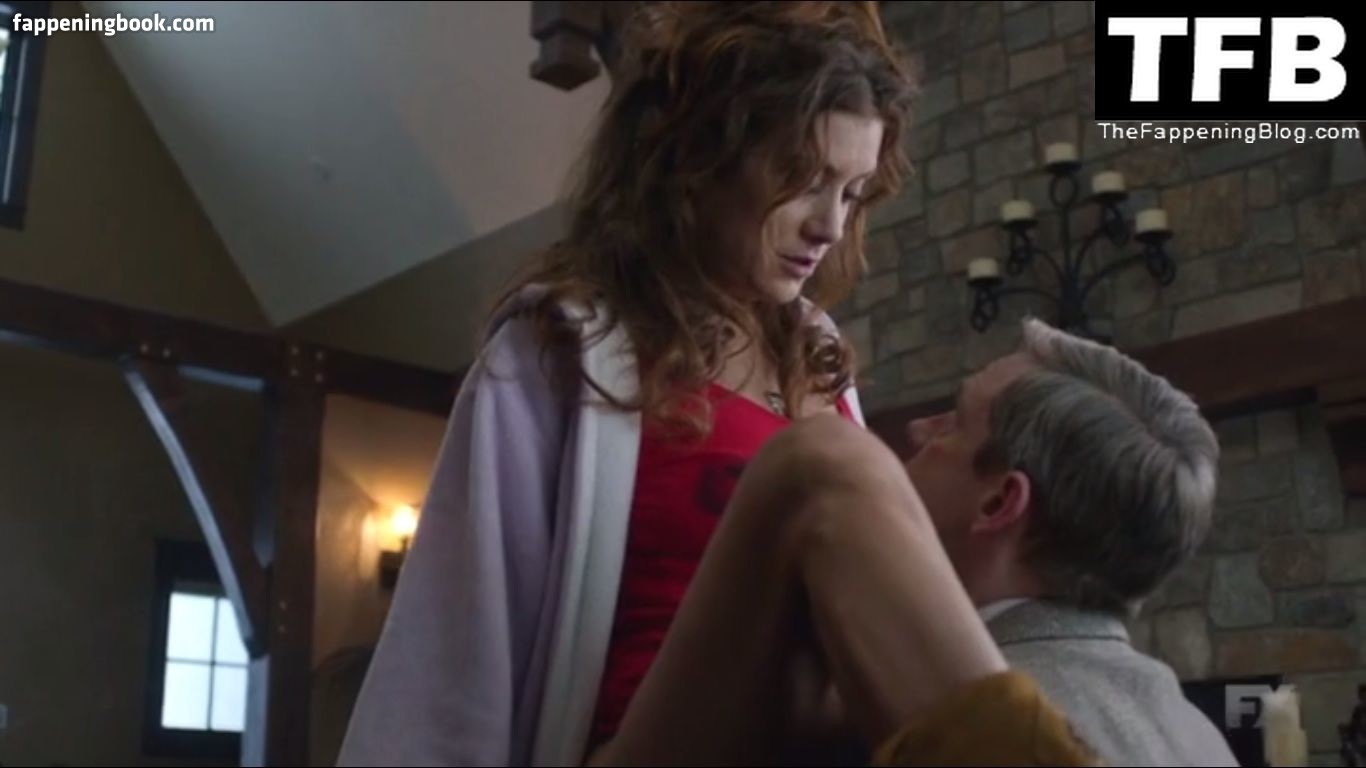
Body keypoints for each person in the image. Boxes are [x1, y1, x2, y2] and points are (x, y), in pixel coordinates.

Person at [336, 3, 916, 765]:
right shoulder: (564, 350)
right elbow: (455, 652)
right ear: (704, 155)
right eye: (804, 179)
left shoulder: (820, 354)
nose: (831, 226)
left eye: (852, 192)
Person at [899, 318, 1238, 766]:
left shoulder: (974, 734)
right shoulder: (1200, 734)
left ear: (999, 502)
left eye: (954, 422)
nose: (918, 429)